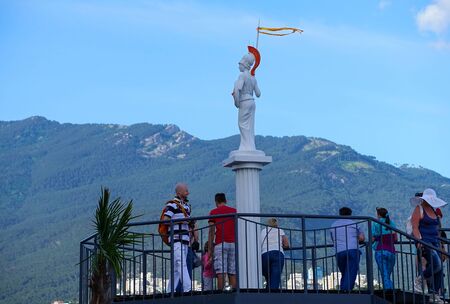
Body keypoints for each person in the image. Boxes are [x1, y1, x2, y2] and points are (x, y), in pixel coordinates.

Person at [411, 188, 447, 303]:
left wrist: (441, 245)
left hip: (435, 241)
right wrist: (419, 241)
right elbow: (415, 227)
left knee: (440, 269)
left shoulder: (434, 211)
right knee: (436, 265)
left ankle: (434, 294)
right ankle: (420, 280)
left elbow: (437, 230)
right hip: (425, 241)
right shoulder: (419, 209)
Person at [162, 183, 192, 293]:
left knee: (176, 267)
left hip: (184, 239)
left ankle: (170, 290)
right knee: (180, 263)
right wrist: (181, 221)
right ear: (179, 192)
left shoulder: (187, 206)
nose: (187, 192)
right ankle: (188, 289)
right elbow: (165, 220)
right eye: (185, 190)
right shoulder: (172, 205)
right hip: (176, 238)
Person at [232, 48, 261, 151]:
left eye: (240, 64)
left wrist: (236, 99)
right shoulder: (253, 78)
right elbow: (258, 94)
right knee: (250, 126)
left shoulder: (242, 76)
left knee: (243, 125)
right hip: (252, 102)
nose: (238, 66)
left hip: (244, 101)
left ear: (244, 64)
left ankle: (245, 147)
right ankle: (251, 146)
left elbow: (238, 89)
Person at [330, 207, 365, 291]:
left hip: (339, 251)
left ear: (340, 214)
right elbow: (362, 238)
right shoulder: (355, 224)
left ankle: (343, 289)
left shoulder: (333, 225)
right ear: (350, 214)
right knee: (351, 272)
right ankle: (346, 291)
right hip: (352, 250)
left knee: (344, 272)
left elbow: (332, 239)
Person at [208, 193, 237, 290]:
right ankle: (233, 294)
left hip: (220, 243)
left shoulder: (213, 212)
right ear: (225, 200)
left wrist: (210, 248)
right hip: (233, 243)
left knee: (221, 272)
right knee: (232, 271)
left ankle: (220, 295)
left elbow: (211, 230)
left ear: (216, 202)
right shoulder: (234, 211)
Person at [261, 218, 289, 291]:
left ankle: (268, 287)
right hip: (278, 253)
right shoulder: (280, 231)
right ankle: (272, 294)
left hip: (265, 254)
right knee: (275, 275)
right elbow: (286, 244)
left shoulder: (263, 231)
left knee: (267, 273)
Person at [372, 207, 397, 290]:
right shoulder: (392, 223)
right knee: (387, 274)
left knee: (385, 274)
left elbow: (372, 238)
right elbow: (396, 239)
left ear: (378, 215)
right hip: (391, 251)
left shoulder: (375, 223)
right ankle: (390, 289)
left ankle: (389, 291)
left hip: (380, 251)